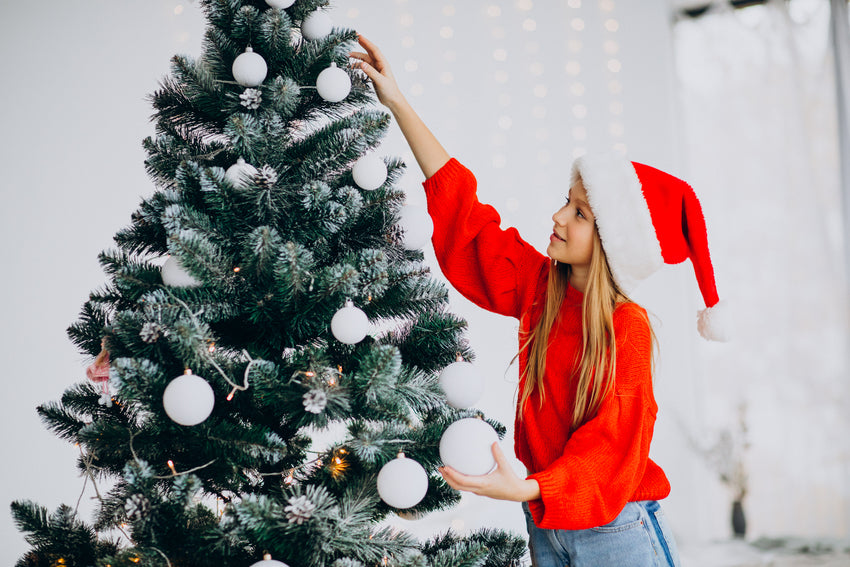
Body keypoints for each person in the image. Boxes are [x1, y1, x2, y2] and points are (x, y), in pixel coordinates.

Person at [350, 33, 728, 567]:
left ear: (611, 241)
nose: (557, 217)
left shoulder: (629, 328)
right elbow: (467, 218)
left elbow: (608, 449)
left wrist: (527, 489)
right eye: (564, 203)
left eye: (579, 214)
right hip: (546, 525)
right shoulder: (540, 292)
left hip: (615, 530)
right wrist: (397, 102)